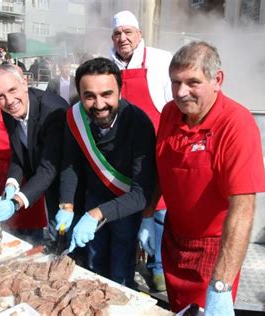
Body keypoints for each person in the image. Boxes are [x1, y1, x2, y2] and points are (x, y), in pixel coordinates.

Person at [155, 41, 265, 314]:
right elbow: (161, 171)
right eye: (175, 82)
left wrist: (221, 285)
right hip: (173, 241)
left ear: (217, 80)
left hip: (213, 249)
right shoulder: (170, 113)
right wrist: (149, 214)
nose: (181, 93)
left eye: (193, 82)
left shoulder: (236, 124)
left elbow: (243, 208)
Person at [55, 57, 156, 287]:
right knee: (94, 266)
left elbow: (141, 193)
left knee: (120, 272)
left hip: (126, 205)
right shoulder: (75, 117)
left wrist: (95, 215)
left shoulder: (139, 124)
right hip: (94, 198)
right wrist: (66, 205)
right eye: (89, 96)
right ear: (79, 95)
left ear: (120, 92)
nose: (99, 104)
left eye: (106, 94)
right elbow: (69, 163)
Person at [110, 10, 173, 292]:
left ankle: (158, 266)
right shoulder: (105, 63)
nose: (123, 38)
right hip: (120, 151)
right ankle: (128, 265)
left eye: (128, 32)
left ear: (139, 35)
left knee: (159, 209)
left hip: (156, 146)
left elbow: (174, 106)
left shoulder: (161, 60)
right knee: (128, 207)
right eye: (117, 34)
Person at [0, 64, 69, 243]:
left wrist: (16, 202)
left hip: (70, 188)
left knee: (73, 247)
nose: (9, 100)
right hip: (47, 185)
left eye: (12, 90)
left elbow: (49, 168)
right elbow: (19, 153)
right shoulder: (9, 110)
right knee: (57, 242)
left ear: (24, 82)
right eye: (0, 96)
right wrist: (11, 184)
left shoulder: (52, 110)